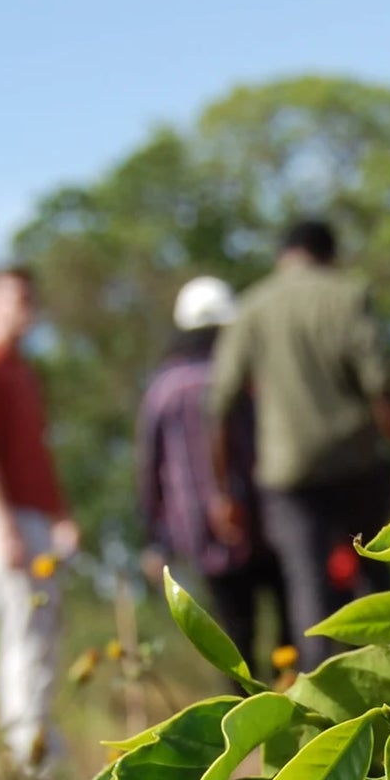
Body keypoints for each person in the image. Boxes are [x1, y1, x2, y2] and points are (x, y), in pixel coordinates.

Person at [208, 219, 390, 666]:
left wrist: (225, 491)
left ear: (283, 254)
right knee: (373, 573)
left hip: (288, 475)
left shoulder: (252, 307)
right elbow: (381, 387)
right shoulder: (347, 296)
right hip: (356, 466)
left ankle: (321, 702)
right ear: (330, 254)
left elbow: (220, 406)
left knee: (307, 588)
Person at [0, 267, 79, 767]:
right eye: (15, 299)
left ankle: (40, 742)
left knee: (46, 630)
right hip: (6, 521)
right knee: (24, 631)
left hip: (37, 519)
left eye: (30, 298)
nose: (25, 308)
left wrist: (61, 514)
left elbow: (38, 453)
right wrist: (1, 525)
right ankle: (29, 753)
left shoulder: (22, 370)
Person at [136, 277, 288, 671]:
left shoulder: (162, 389)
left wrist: (156, 539)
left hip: (202, 534)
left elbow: (149, 469)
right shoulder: (244, 377)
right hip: (263, 523)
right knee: (290, 631)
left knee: (235, 641)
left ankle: (245, 722)